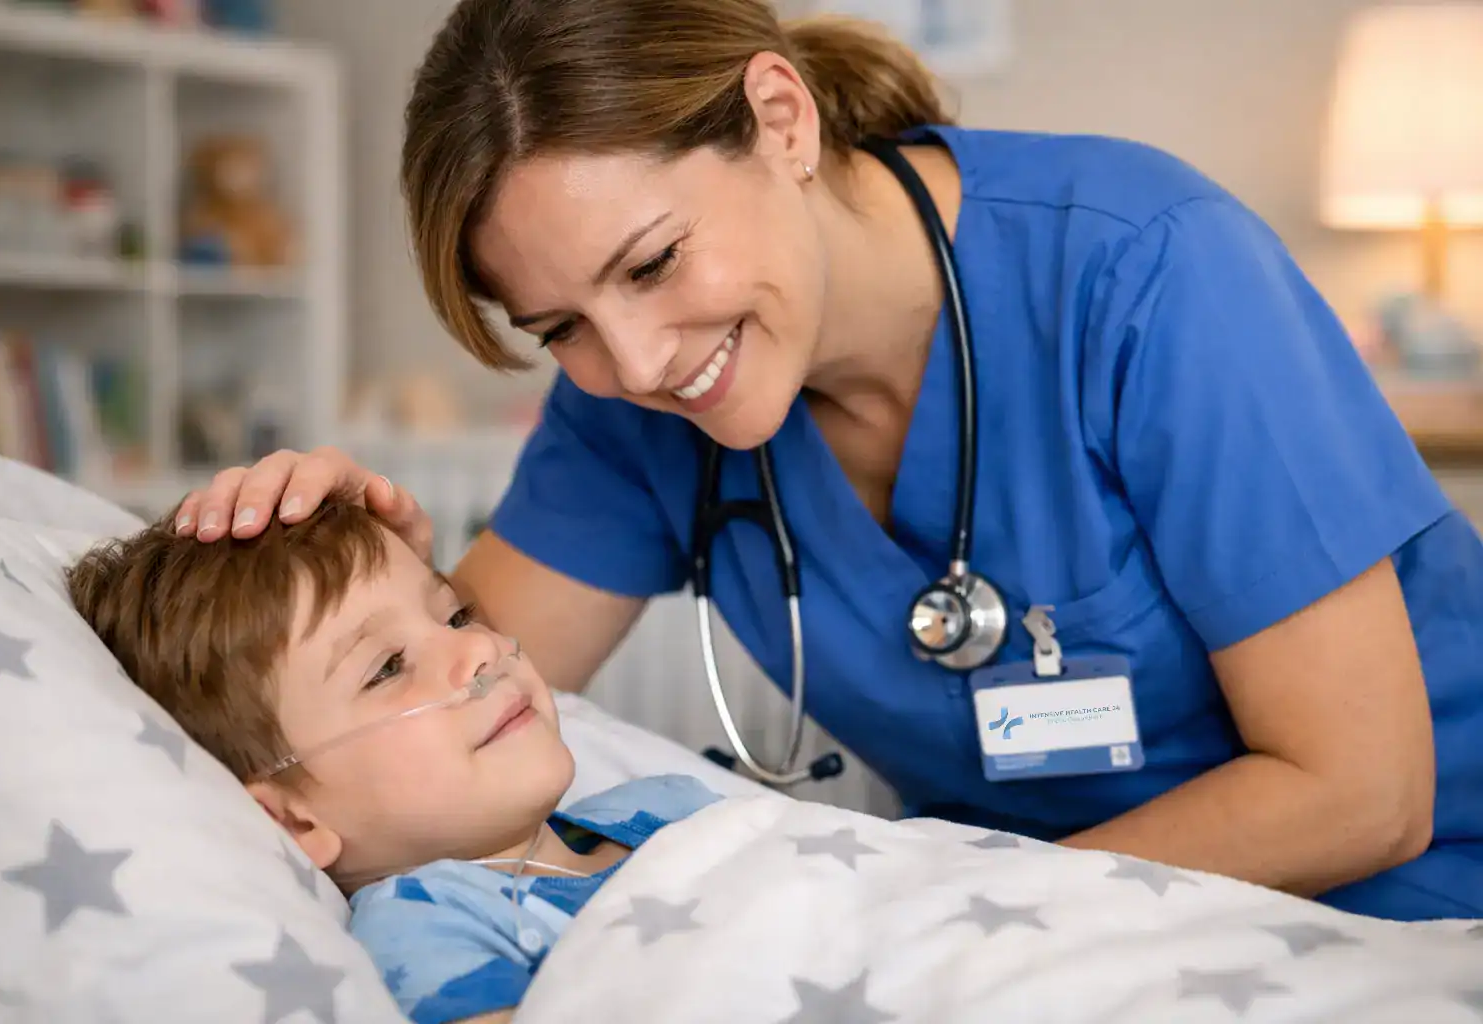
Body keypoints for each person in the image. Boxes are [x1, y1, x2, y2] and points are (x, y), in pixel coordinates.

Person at [174, 0, 1483, 922]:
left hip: (1404, 899)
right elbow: (406, 738)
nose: (636, 363)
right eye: (559, 326)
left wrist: (937, 914)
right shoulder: (632, 405)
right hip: (1037, 934)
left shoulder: (1147, 270)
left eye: (654, 262)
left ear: (781, 118)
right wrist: (367, 586)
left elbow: (1364, 795)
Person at [66, 494, 724, 1024]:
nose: (478, 650)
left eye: (457, 618)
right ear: (294, 821)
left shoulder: (666, 808)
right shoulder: (429, 925)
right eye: (386, 667)